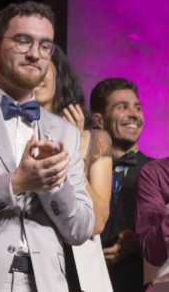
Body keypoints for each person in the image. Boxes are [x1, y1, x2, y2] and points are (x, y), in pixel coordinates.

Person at [0, 2, 94, 292]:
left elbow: (81, 229)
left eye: (45, 46)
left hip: (47, 282)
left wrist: (52, 184)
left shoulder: (65, 132)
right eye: (23, 41)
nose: (34, 54)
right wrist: (15, 184)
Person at [34, 45, 112, 235]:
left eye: (43, 68)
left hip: (80, 256)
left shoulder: (94, 139)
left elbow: (98, 222)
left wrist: (72, 148)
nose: (35, 76)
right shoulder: (17, 132)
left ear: (57, 74)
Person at [90, 77, 152, 292]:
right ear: (99, 120)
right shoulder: (79, 170)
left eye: (137, 107)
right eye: (122, 107)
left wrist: (138, 244)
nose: (134, 114)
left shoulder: (160, 174)